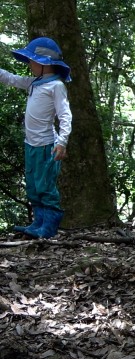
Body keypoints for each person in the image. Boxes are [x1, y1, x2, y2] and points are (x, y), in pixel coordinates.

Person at [0, 37, 72, 239]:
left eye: (31, 61)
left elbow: (65, 115)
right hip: (30, 144)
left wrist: (62, 142)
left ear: (43, 63)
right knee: (32, 185)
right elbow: (11, 79)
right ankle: (38, 223)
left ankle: (49, 226)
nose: (29, 65)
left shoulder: (56, 86)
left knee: (45, 186)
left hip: (46, 146)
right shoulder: (35, 83)